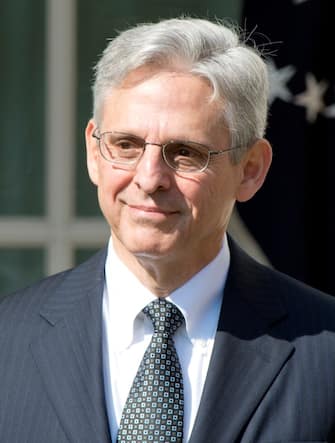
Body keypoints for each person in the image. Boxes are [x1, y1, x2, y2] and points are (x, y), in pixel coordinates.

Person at [1, 16, 335, 443]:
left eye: (184, 152)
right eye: (126, 145)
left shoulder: (324, 348)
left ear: (250, 170)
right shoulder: (6, 341)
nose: (149, 177)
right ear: (93, 152)